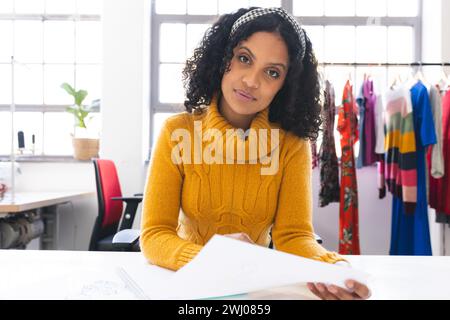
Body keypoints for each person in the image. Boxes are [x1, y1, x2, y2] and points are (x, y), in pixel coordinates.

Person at [141, 7, 371, 300]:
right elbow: (155, 234)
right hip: (187, 285)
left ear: (286, 86)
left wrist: (335, 270)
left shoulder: (291, 145)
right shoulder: (177, 133)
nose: (251, 81)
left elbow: (294, 236)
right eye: (244, 58)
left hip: (254, 290)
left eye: (272, 72)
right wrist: (207, 260)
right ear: (222, 57)